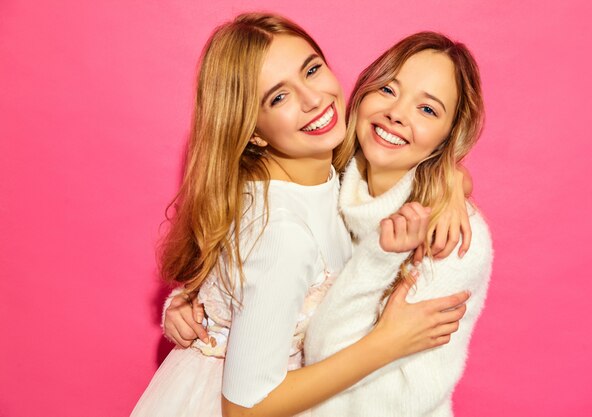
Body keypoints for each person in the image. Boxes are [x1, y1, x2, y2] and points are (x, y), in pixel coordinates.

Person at [133, 13, 471, 417]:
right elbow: (243, 409)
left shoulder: (326, 169)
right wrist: (388, 343)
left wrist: (451, 182)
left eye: (311, 70)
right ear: (253, 130)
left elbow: (400, 164)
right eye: (278, 97)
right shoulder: (282, 232)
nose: (313, 99)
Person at [304, 32, 493, 417]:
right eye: (389, 89)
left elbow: (400, 399)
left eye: (428, 110)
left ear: (447, 138)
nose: (397, 113)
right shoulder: (327, 183)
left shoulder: (451, 238)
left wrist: (379, 259)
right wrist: (205, 310)